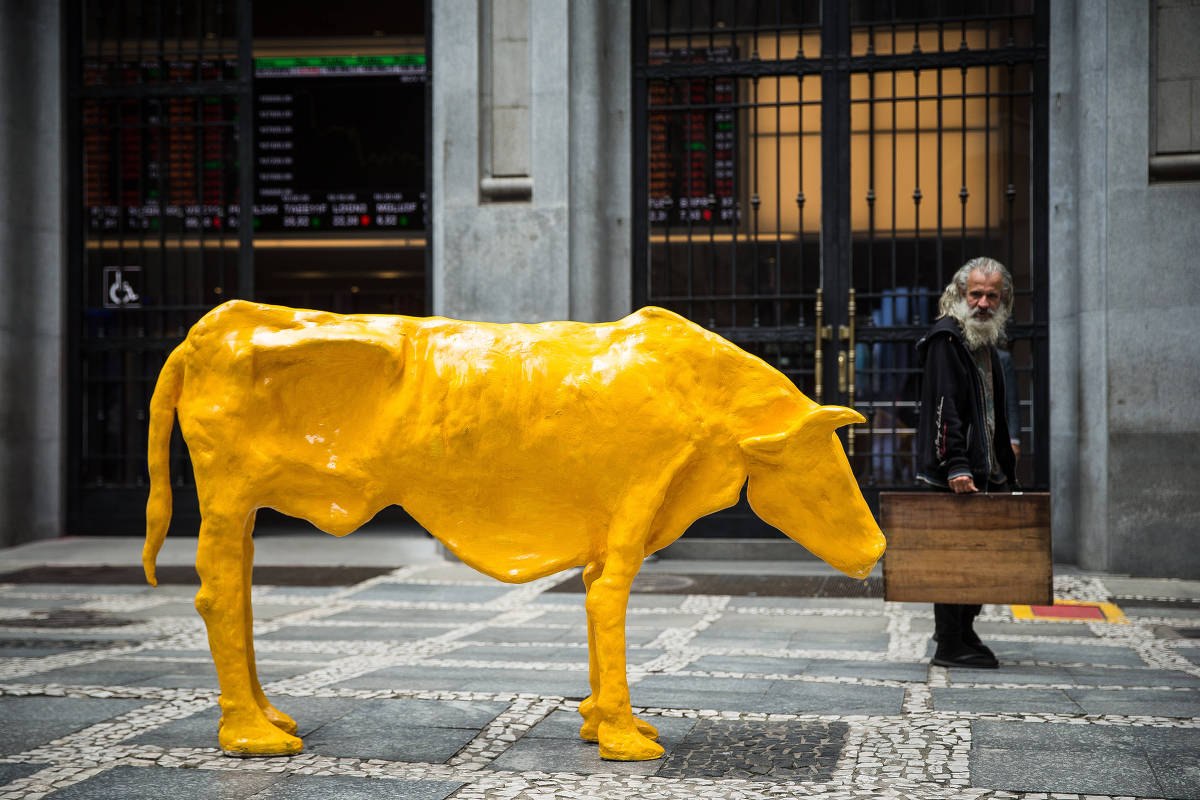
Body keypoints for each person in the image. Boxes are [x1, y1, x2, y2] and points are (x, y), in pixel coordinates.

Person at [915, 257, 1017, 669]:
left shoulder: (985, 341)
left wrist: (1004, 458)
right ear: (960, 294)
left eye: (992, 295)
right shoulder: (948, 339)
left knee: (983, 556)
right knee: (953, 559)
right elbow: (945, 406)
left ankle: (963, 630)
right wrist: (956, 464)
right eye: (975, 294)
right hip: (953, 473)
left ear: (1003, 298)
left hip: (983, 470)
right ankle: (950, 643)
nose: (983, 303)